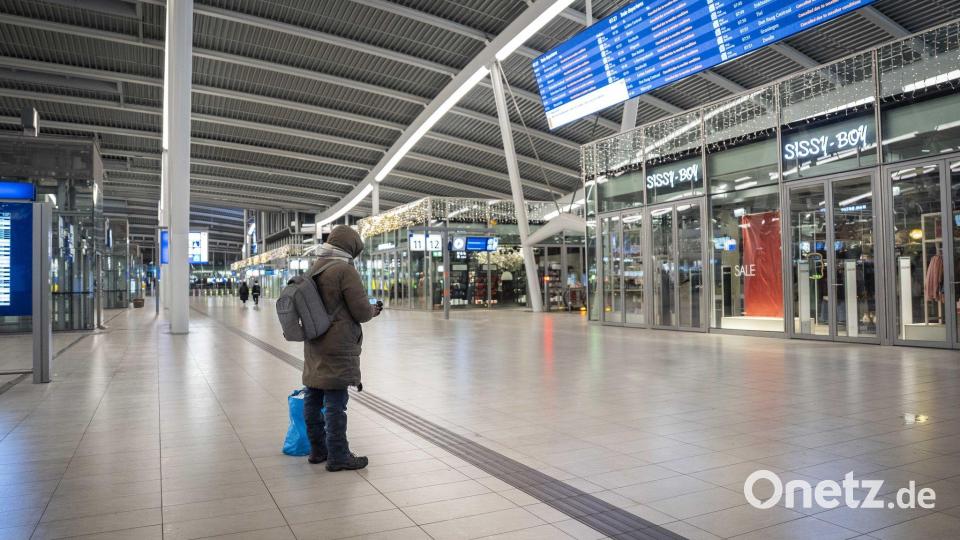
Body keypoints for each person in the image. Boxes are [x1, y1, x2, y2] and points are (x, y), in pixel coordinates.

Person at [302, 225, 382, 471]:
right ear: (350, 248)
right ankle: (338, 455)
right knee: (336, 402)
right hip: (338, 344)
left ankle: (318, 450)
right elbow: (360, 311)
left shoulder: (315, 267)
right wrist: (373, 310)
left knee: (313, 395)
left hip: (315, 341)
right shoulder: (344, 270)